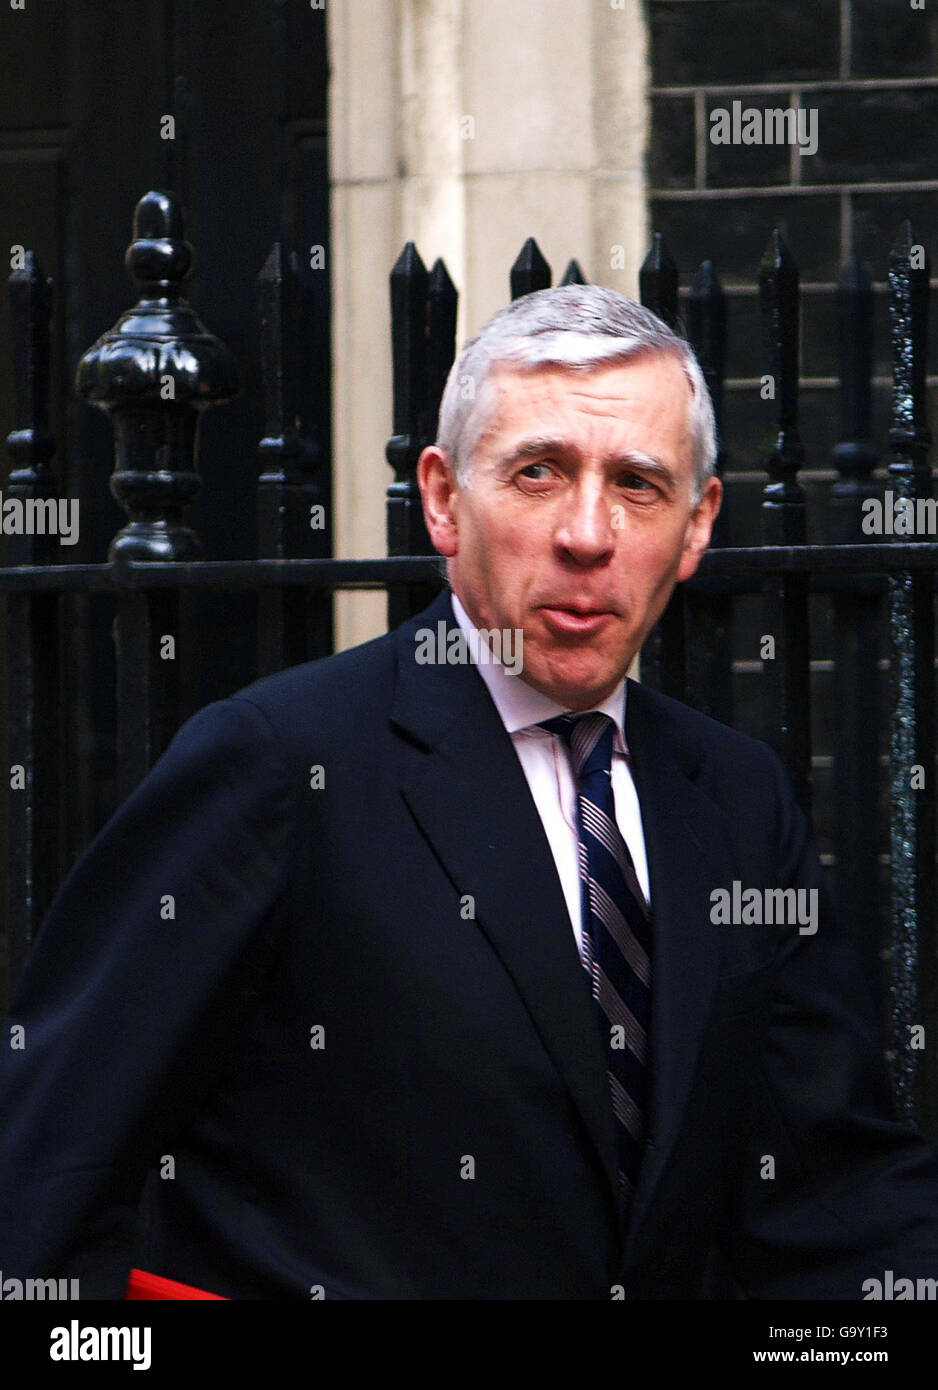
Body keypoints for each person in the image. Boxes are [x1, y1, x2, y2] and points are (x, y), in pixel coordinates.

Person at [2, 285, 937, 1301]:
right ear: (443, 499)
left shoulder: (735, 798)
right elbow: (47, 1172)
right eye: (538, 473)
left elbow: (832, 1198)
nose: (588, 534)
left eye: (636, 483)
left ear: (696, 524)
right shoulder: (276, 764)